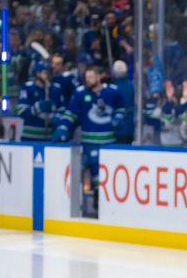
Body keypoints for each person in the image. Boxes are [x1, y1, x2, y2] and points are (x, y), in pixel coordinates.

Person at [52, 65, 124, 212]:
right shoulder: (80, 94)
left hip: (109, 142)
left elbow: (121, 109)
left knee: (109, 174)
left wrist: (118, 118)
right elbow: (71, 114)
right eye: (87, 77)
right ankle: (98, 198)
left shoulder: (112, 92)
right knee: (95, 170)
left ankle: (108, 202)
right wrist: (63, 127)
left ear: (99, 77)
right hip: (90, 142)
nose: (88, 80)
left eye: (91, 77)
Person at [17, 61, 63, 141]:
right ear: (37, 73)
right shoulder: (28, 88)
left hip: (50, 138)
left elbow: (62, 110)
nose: (47, 75)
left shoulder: (56, 89)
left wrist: (56, 118)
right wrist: (37, 107)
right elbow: (21, 111)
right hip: (30, 138)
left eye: (49, 72)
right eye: (44, 72)